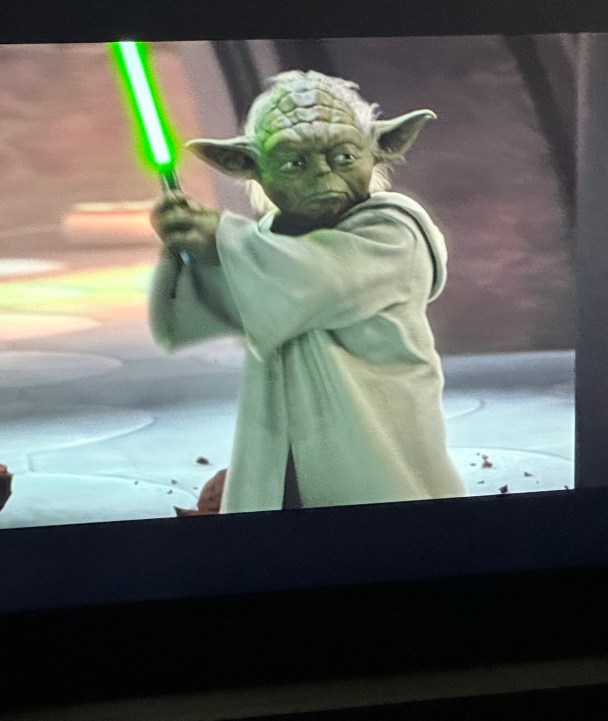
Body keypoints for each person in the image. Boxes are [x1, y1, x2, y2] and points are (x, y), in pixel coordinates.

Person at [150, 70, 465, 513]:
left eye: (342, 157)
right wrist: (191, 244)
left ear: (381, 148)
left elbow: (324, 277)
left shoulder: (395, 231)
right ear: (248, 166)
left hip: (373, 431)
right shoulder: (269, 242)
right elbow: (241, 300)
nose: (322, 174)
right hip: (287, 435)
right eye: (294, 163)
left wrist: (221, 238)